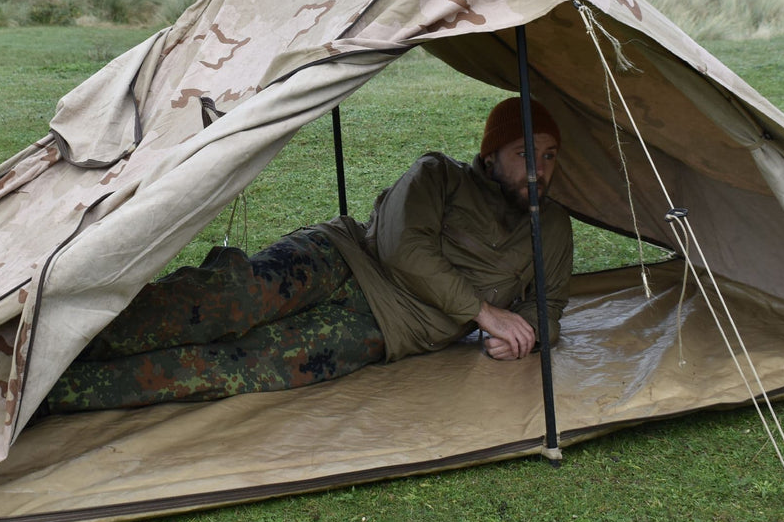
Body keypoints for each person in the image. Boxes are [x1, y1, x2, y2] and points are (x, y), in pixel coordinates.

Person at [43, 97, 573, 413]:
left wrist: (521, 334)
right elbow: (400, 248)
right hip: (342, 257)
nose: (539, 171)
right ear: (490, 155)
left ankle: (53, 394)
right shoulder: (439, 175)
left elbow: (547, 308)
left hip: (388, 326)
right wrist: (486, 314)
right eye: (525, 154)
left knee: (238, 367)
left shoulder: (550, 227)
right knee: (222, 301)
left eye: (548, 157)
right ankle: (52, 340)